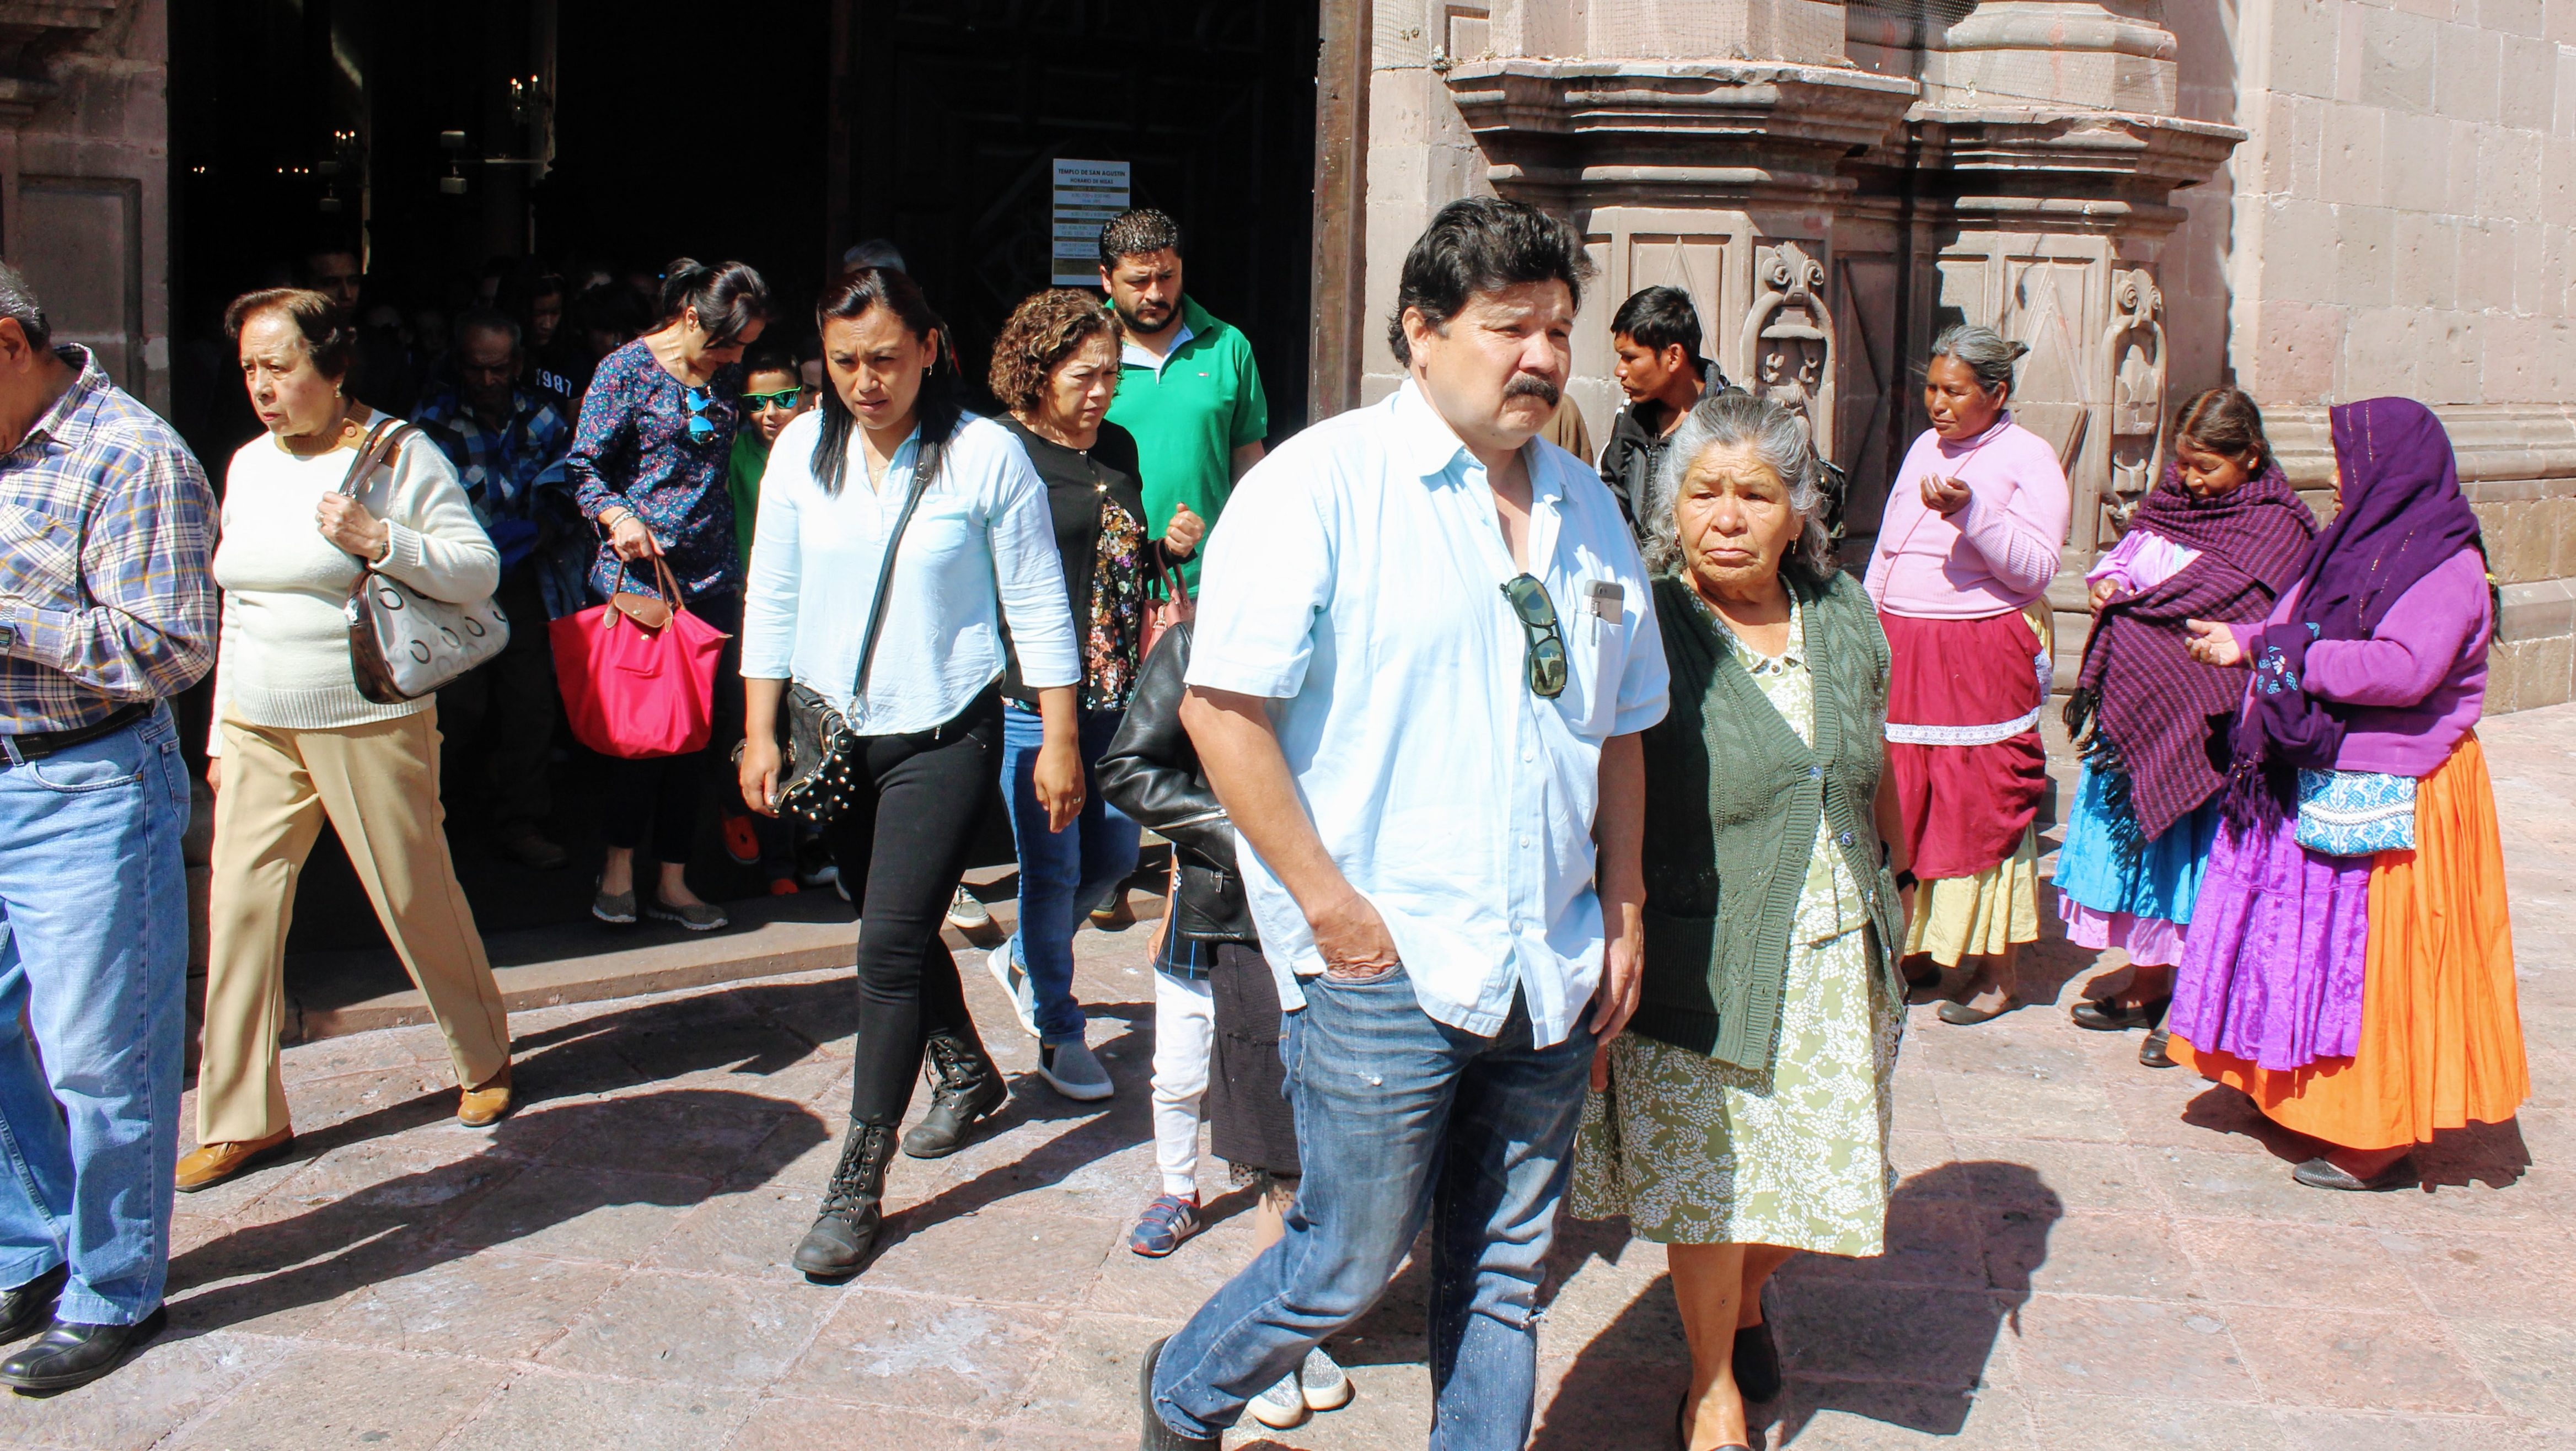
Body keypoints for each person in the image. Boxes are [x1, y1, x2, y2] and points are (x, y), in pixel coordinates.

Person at [1139, 196, 1668, 1451]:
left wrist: (1626, 902)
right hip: (1382, 963)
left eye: (1556, 328)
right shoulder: (1322, 488)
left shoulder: (1589, 515)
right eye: (1509, 328)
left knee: (1500, 1274)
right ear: (1419, 333)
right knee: (1342, 1262)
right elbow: (1221, 713)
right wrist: (1331, 910)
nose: (1541, 355)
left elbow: (1624, 726)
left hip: (1549, 961)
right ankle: (1184, 1394)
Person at [1570, 388, 1908, 1451]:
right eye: (1704, 493)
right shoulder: (1639, 619)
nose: (1727, 516)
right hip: (1698, 949)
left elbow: (1868, 758)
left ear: (1796, 511)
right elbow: (1582, 776)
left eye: (1755, 494)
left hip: (1832, 940)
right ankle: (1711, 1381)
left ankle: (1749, 1294)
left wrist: (1899, 880)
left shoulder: (1845, 613)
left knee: (1828, 1164)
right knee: (1711, 1180)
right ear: (1672, 510)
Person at [736, 266, 1084, 1278]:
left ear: (931, 348)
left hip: (947, 729)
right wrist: (759, 731)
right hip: (832, 734)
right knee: (886, 917)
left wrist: (1058, 736)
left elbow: (1037, 605)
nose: (864, 381)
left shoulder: (984, 458)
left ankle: (858, 1176)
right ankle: (969, 1070)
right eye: (843, 361)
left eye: (885, 357)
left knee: (885, 948)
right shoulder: (802, 446)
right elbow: (773, 592)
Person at [181, 286, 516, 1197]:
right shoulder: (249, 464)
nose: (262, 386)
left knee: (413, 892)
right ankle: (242, 1116)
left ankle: (482, 1052)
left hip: (367, 712)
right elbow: (237, 606)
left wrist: (382, 539)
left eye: (280, 366)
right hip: (257, 720)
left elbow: (478, 569)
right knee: (239, 915)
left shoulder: (398, 454)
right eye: (251, 368)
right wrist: (219, 727)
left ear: (333, 367)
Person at [2170, 397, 2527, 1191]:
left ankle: (2375, 1134)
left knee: (2372, 967)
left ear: (2391, 469)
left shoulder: (2444, 565)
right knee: (2307, 951)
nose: (2334, 476)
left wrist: (2279, 657)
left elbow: (2402, 670)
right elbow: (2293, 633)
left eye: (2346, 460)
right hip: (2321, 770)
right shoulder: (2356, 547)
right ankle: (2299, 1097)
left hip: (2392, 784)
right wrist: (2251, 653)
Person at [0, 264, 216, 1392]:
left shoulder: (132, 456)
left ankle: (115, 1284)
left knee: (99, 1055)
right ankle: (33, 1243)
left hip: (85, 784)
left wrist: (7, 612)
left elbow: (173, 648)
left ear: (7, 341)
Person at [1097, 621, 1353, 1433]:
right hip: (1241, 919)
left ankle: (1294, 1322)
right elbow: (1129, 766)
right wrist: (1250, 830)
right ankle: (1270, 1339)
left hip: (1363, 914)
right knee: (1274, 1137)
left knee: (1341, 1130)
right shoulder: (1206, 636)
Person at [982, 288, 1205, 1099]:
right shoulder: (1001, 451)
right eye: (1085, 375)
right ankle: (1057, 1030)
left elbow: (1104, 563)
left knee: (1113, 855)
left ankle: (1023, 960)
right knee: (1051, 869)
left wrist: (1159, 549)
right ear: (1038, 373)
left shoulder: (1116, 445)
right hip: (1036, 698)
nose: (1103, 390)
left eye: (1111, 373)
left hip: (1115, 689)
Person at [2054, 389, 2315, 1066]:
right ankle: (2148, 983)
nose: (2191, 480)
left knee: (2196, 871)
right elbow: (2127, 554)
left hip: (2210, 725)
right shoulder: (2170, 502)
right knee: (2145, 863)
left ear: (2250, 457)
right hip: (2138, 716)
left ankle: (2196, 1006)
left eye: (2207, 467)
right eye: (2184, 464)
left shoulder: (2279, 530)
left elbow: (2288, 628)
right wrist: (2108, 582)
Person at [1862, 324, 2069, 1024]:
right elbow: (1891, 543)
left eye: (1954, 392)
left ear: (1997, 393)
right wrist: (1866, 622)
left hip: (1976, 653)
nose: (1938, 405)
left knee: (1974, 805)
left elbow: (2037, 566)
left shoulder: (2028, 457)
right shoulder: (1925, 447)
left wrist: (1973, 513)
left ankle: (1995, 971)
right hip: (1906, 647)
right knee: (1908, 800)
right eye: (1931, 389)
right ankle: (1924, 945)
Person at [568, 258, 772, 932]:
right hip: (640, 586)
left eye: (743, 348)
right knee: (642, 739)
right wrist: (620, 518)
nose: (734, 359)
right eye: (725, 345)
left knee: (697, 738)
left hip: (711, 580)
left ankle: (675, 879)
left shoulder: (728, 374)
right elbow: (584, 467)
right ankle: (618, 868)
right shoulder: (624, 371)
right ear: (689, 318)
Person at [415, 307, 579, 871]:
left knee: (529, 703)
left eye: (499, 368)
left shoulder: (543, 419)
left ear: (517, 365)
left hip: (524, 580)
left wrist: (542, 526)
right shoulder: (431, 425)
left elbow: (572, 486)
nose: (487, 380)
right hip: (453, 584)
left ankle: (522, 820)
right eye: (476, 368)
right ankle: (445, 821)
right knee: (458, 707)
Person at [1096, 209, 1266, 583]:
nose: (1155, 293)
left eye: (1167, 277)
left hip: (1209, 578)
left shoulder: (1227, 346)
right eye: (1139, 281)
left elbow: (1247, 458)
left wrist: (1257, 549)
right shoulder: (1082, 352)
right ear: (1107, 279)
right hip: (1107, 580)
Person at [715, 340, 811, 894]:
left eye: (784, 398)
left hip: (813, 603)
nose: (771, 412)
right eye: (758, 402)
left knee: (808, 723)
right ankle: (774, 854)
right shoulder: (733, 455)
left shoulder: (827, 444)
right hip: (750, 603)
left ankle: (803, 843)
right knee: (756, 722)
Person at [1599, 286, 1730, 541]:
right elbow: (1612, 496)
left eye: (1630, 357)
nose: (1619, 371)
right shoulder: (1632, 417)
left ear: (1673, 357)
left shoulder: (1733, 422)